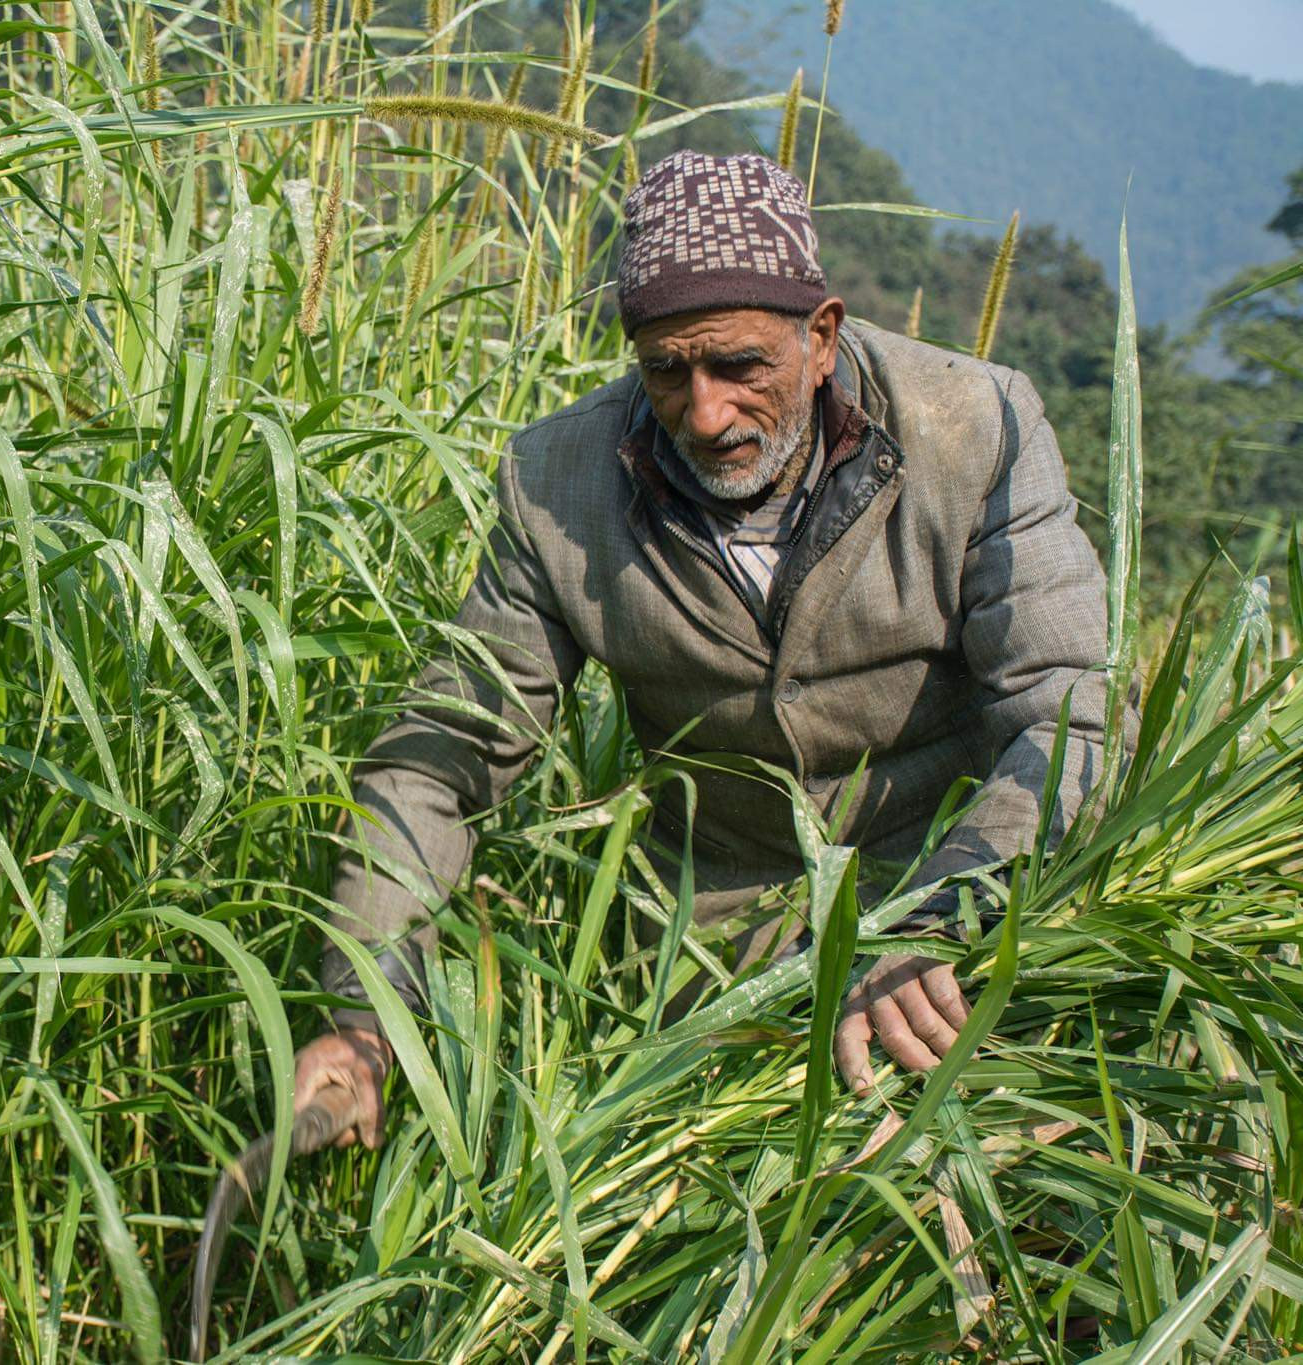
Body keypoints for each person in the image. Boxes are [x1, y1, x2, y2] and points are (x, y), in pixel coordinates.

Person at [294, 149, 1122, 1148]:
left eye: (739, 366)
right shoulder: (556, 481)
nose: (703, 413)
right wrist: (364, 1015)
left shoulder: (972, 428)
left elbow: (1062, 716)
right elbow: (441, 760)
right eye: (664, 370)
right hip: (719, 939)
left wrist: (941, 918)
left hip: (952, 901)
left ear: (820, 337)